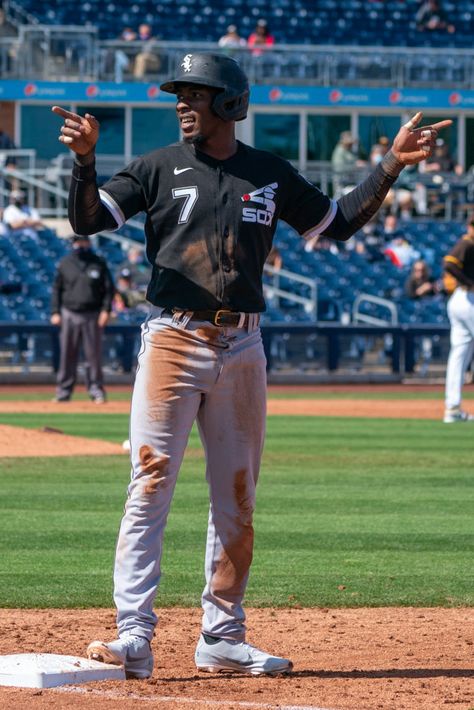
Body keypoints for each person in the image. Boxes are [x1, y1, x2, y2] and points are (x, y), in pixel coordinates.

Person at [51, 52, 449, 679]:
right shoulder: (155, 167)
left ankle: (222, 636)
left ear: (231, 103)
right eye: (179, 93)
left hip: (244, 347)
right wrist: (84, 160)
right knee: (150, 484)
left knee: (236, 498)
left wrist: (394, 162)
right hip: (173, 341)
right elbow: (88, 219)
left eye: (196, 93)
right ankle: (133, 635)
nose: (182, 102)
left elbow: (337, 224)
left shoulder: (268, 172)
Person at [50, 234, 115, 403]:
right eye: (77, 241)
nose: (80, 244)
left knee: (93, 355)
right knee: (67, 354)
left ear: (88, 242)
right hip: (69, 312)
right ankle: (63, 391)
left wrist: (106, 310)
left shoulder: (98, 262)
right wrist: (55, 312)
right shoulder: (65, 263)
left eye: (82, 241)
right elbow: (57, 289)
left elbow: (108, 289)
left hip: (92, 314)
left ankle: (96, 390)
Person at [442, 217, 474, 423]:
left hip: (460, 301)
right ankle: (452, 407)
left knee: (459, 355)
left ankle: (452, 408)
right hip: (468, 299)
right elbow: (449, 264)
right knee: (459, 354)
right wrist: (469, 283)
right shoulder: (467, 243)